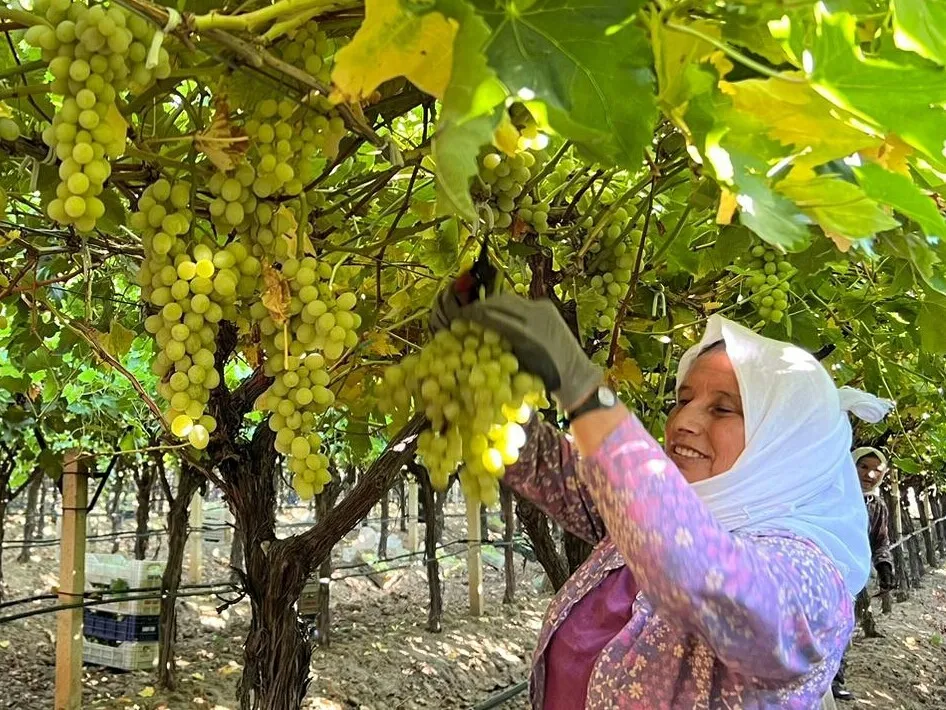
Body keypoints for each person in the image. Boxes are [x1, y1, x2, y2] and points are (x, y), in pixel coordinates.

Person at [431, 292, 893, 709]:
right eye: (683, 398)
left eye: (723, 408)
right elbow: (554, 469)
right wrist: (473, 389)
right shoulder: (648, 514)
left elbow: (700, 574)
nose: (683, 421)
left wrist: (579, 384)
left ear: (785, 441)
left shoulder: (812, 583)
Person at [831, 447, 895, 701]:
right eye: (862, 466)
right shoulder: (832, 494)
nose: (869, 474)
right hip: (821, 565)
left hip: (851, 577)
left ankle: (835, 680)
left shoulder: (876, 505)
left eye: (876, 470)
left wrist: (884, 567)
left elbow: (880, 541)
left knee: (842, 626)